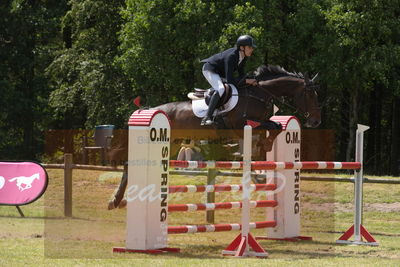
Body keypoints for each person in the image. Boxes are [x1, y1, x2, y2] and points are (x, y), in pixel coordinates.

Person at [200, 35, 258, 126]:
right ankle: (207, 117)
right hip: (210, 69)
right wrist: (247, 81)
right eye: (250, 47)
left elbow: (241, 74)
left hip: (220, 73)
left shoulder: (243, 57)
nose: (252, 49)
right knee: (220, 88)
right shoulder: (231, 56)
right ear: (242, 48)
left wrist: (250, 80)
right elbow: (230, 80)